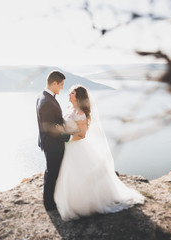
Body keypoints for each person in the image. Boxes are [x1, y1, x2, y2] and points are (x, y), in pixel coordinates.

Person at [54, 85, 145, 221]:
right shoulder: (69, 109)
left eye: (72, 93)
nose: (69, 95)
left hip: (77, 147)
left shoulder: (80, 113)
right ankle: (72, 202)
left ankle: (87, 204)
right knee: (70, 175)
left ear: (78, 97)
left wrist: (66, 139)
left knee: (80, 174)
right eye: (69, 93)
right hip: (69, 148)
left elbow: (83, 134)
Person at [36, 70, 84, 211]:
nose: (63, 87)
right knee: (52, 173)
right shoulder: (47, 101)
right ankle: (49, 204)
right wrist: (68, 137)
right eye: (61, 84)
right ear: (54, 83)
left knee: (51, 172)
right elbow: (51, 129)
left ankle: (50, 200)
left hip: (48, 142)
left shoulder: (42, 96)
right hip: (52, 144)